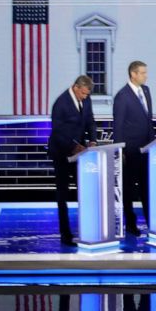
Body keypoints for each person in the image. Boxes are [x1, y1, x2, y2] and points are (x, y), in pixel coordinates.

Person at [48, 75, 99, 246]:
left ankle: (87, 229)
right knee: (63, 194)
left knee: (84, 190)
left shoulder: (87, 99)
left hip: (80, 153)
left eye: (87, 94)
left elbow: (90, 121)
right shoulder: (61, 104)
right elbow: (58, 132)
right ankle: (65, 234)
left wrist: (93, 140)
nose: (85, 97)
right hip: (61, 153)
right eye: (83, 94)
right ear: (76, 87)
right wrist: (73, 146)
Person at [113, 60, 156, 235]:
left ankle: (151, 221)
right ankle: (131, 225)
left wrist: (153, 144)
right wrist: (120, 150)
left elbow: (148, 121)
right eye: (143, 73)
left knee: (147, 186)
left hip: (147, 149)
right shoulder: (122, 96)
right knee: (129, 189)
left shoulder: (146, 91)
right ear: (133, 74)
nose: (146, 76)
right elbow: (118, 125)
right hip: (130, 150)